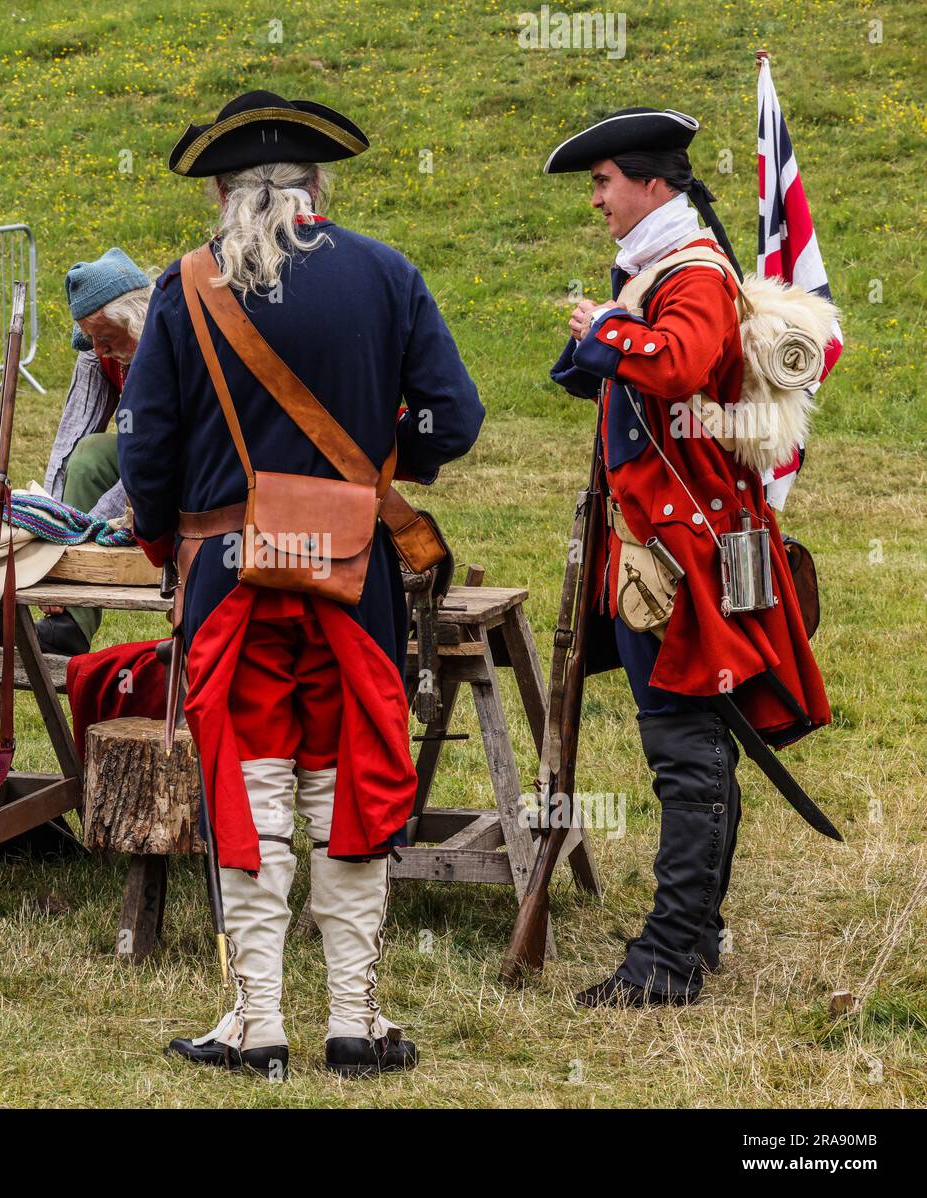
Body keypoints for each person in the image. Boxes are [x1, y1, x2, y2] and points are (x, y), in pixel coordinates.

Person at [118, 90, 484, 1076]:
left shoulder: (184, 287)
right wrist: (364, 468)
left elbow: (144, 446)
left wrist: (161, 539)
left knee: (249, 784)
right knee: (350, 777)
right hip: (350, 576)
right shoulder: (386, 273)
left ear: (225, 195)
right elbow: (455, 418)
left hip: (226, 581)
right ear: (316, 186)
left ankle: (259, 1023)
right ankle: (354, 1021)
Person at [545, 109, 831, 1006]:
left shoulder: (694, 272)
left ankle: (669, 959)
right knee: (693, 748)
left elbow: (675, 365)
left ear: (652, 185)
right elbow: (602, 375)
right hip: (657, 550)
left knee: (687, 753)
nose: (596, 201)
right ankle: (692, 934)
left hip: (685, 554)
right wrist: (600, 333)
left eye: (604, 184)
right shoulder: (651, 273)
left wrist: (607, 328)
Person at [37, 248, 153, 656]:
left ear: (135, 320)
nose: (100, 350)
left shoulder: (167, 344)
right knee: (88, 454)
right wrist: (46, 535)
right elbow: (70, 441)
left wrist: (87, 528)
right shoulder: (96, 351)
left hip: (192, 461)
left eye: (106, 339)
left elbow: (154, 452)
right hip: (146, 454)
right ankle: (70, 621)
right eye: (92, 340)